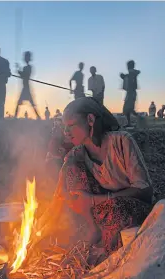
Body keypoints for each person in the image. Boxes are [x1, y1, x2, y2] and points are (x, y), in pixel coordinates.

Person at [35, 97, 153, 262]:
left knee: (115, 209)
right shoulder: (78, 153)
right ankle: (93, 229)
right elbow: (59, 186)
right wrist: (43, 223)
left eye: (71, 126)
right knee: (70, 167)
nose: (66, 132)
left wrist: (95, 200)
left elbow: (145, 191)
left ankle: (107, 250)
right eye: (64, 127)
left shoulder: (121, 141)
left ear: (90, 120)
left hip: (129, 207)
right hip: (102, 208)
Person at [14, 51, 41, 119]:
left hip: (26, 88)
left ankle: (15, 117)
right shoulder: (27, 67)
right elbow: (23, 75)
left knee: (22, 103)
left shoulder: (28, 67)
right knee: (29, 104)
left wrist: (19, 70)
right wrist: (19, 70)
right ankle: (38, 117)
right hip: (25, 87)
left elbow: (24, 75)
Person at [121, 60, 141, 127]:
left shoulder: (133, 72)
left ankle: (140, 118)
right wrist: (124, 77)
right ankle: (130, 122)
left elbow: (137, 72)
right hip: (129, 92)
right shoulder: (130, 73)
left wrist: (125, 76)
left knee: (129, 108)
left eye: (128, 65)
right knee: (127, 109)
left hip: (131, 93)